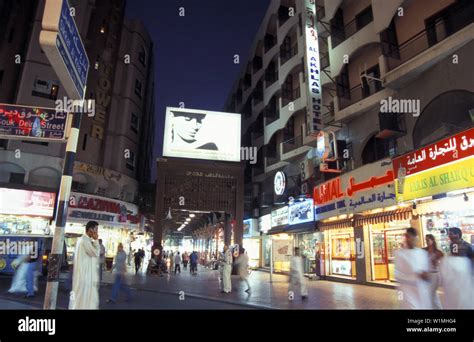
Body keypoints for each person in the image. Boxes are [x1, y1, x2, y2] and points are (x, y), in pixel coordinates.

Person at [394, 228, 431, 309]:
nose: (411, 240)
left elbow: (426, 272)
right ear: (406, 238)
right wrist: (416, 275)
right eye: (408, 237)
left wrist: (426, 276)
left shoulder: (422, 253)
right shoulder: (399, 254)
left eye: (414, 238)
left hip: (421, 291)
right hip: (407, 292)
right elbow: (397, 275)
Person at [69, 221, 101, 310]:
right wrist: (96, 240)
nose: (97, 232)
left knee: (82, 300)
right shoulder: (85, 240)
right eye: (96, 229)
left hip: (83, 275)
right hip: (85, 276)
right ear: (90, 230)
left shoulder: (83, 240)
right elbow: (96, 253)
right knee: (84, 301)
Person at [439, 227, 474, 309]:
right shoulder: (452, 245)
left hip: (465, 277)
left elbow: (472, 260)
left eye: (451, 234)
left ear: (457, 235)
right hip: (455, 278)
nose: (449, 236)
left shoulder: (468, 246)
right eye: (449, 234)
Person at [423, 234, 443, 309]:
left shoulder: (438, 252)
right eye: (426, 240)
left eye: (428, 240)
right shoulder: (424, 250)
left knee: (430, 293)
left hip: (435, 274)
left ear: (432, 240)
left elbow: (443, 264)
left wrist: (438, 262)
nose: (426, 242)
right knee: (431, 294)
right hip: (428, 274)